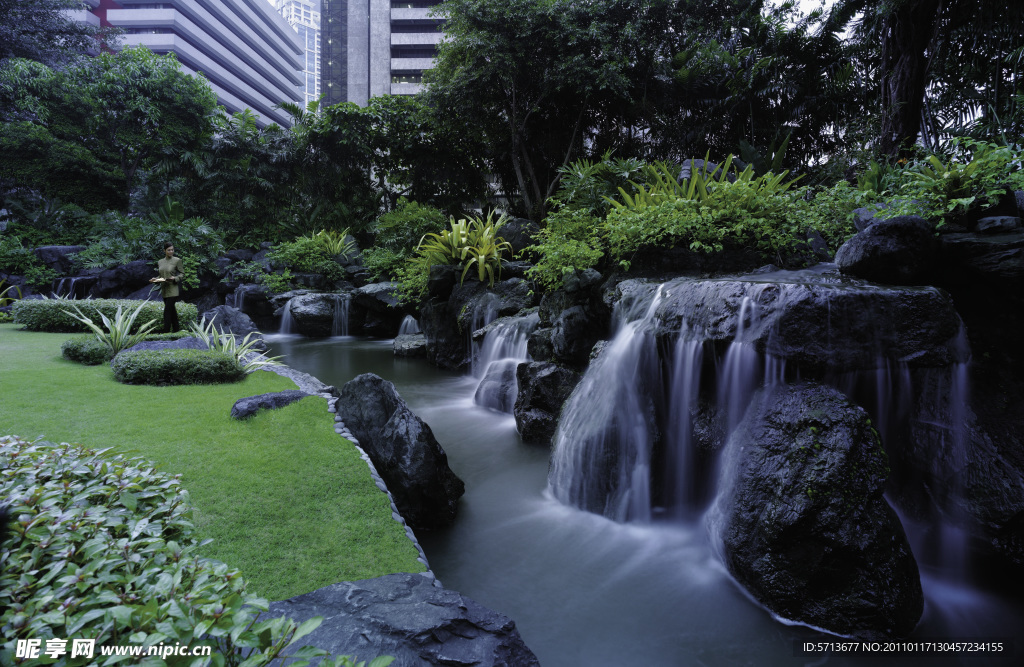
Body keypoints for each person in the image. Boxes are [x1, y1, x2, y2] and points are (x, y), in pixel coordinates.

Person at [150, 241, 184, 332]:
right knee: (172, 311)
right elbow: (161, 276)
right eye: (169, 250)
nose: (171, 252)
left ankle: (166, 331)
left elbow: (182, 274)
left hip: (173, 290)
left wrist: (175, 278)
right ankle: (176, 330)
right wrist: (155, 279)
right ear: (164, 250)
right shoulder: (160, 262)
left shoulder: (177, 260)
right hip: (165, 290)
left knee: (167, 311)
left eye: (172, 250)